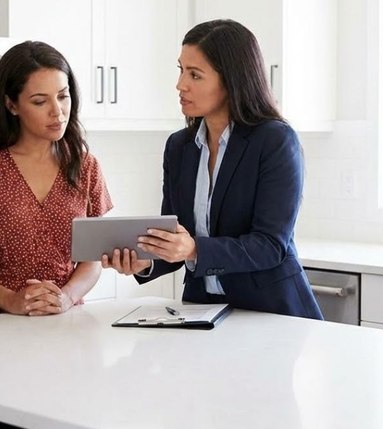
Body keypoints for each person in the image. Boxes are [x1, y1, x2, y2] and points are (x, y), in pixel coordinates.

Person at [102, 19, 322, 319]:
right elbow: (179, 236)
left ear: (232, 80)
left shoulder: (275, 140)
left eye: (195, 75)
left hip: (272, 314)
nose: (180, 85)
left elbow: (270, 246)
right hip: (203, 312)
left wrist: (193, 250)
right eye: (181, 70)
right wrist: (147, 261)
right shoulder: (179, 147)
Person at [0, 41, 112, 316]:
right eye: (40, 101)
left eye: (63, 96)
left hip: (65, 325)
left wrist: (66, 297)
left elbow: (91, 261)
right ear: (11, 105)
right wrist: (10, 300)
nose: (57, 111)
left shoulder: (85, 166)